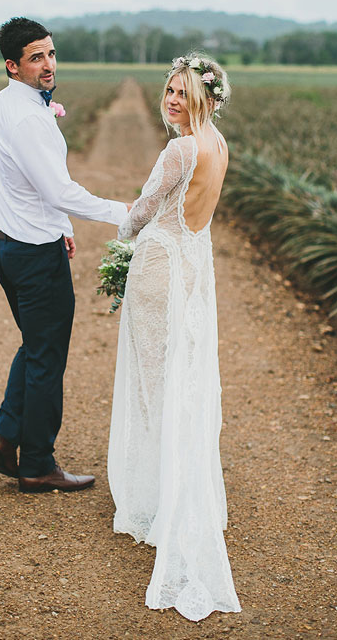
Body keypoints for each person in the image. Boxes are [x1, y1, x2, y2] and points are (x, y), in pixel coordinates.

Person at [108, 53, 241, 621]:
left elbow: (142, 210)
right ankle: (177, 489)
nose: (171, 101)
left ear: (201, 98)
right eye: (168, 91)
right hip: (191, 267)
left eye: (181, 93)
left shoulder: (180, 148)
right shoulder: (219, 146)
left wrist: (120, 242)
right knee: (180, 379)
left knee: (153, 382)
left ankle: (161, 501)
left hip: (159, 265)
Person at [0, 17, 129, 493]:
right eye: (35, 57)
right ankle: (38, 464)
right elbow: (58, 188)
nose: (48, 65)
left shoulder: (9, 102)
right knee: (47, 356)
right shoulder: (27, 115)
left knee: (35, 344)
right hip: (31, 253)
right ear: (13, 65)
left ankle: (7, 438)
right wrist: (123, 212)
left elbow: (28, 185)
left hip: (9, 242)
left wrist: (60, 227)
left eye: (50, 53)